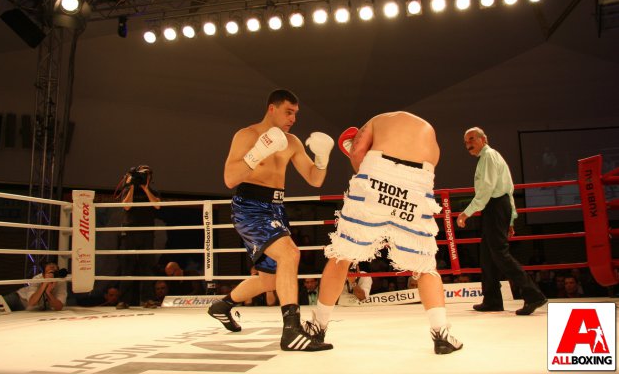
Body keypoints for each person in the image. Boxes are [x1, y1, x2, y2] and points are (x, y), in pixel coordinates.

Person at [307, 111, 463, 355]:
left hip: (378, 172)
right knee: (425, 265)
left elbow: (358, 154)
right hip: (419, 182)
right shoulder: (427, 131)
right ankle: (441, 335)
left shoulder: (377, 120)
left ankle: (318, 327)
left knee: (342, 255)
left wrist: (360, 164)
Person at [207, 89, 333, 352]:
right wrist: (257, 153)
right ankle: (291, 332)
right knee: (290, 254)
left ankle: (222, 306)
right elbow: (230, 179)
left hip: (276, 209)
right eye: (288, 112)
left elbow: (315, 179)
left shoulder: (292, 142)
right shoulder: (247, 135)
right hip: (249, 207)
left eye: (295, 113)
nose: (293, 119)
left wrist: (322, 158)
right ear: (272, 109)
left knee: (268, 281)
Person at [457, 127, 546, 315]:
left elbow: (486, 189)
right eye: (466, 142)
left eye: (471, 139)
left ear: (483, 139)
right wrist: (511, 219)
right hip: (496, 207)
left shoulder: (489, 156)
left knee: (499, 253)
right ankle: (492, 300)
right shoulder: (489, 157)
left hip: (495, 206)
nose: (468, 144)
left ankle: (533, 295)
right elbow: (508, 189)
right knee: (487, 255)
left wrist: (466, 213)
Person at [116, 165, 161, 309]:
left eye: (147, 174)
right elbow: (126, 206)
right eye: (142, 174)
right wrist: (132, 186)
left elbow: (157, 205)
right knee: (127, 266)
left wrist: (145, 189)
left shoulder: (152, 189)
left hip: (147, 231)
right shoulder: (128, 188)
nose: (144, 176)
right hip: (130, 230)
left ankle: (147, 299)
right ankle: (124, 300)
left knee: (147, 266)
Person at [3, 261, 68, 311]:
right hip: (19, 299)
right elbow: (31, 302)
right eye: (50, 272)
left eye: (54, 272)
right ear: (43, 275)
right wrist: (44, 284)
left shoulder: (60, 281)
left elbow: (59, 307)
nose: (52, 275)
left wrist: (48, 292)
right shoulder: (37, 279)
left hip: (28, 310)